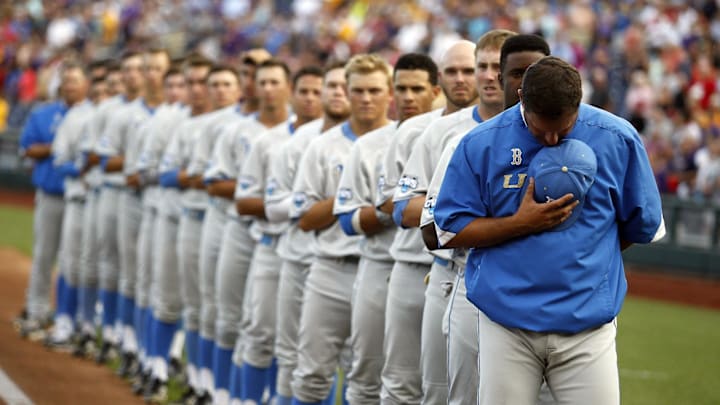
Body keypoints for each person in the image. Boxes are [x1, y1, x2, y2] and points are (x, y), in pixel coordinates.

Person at [433, 56, 665, 405]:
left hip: (588, 326)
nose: (553, 138)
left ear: (579, 103)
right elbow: (450, 229)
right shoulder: (481, 143)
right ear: (521, 97)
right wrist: (520, 224)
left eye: (565, 128)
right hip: (506, 322)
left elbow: (640, 224)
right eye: (541, 130)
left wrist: (586, 253)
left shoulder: (618, 138)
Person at [420, 33, 552, 405]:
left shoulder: (584, 140)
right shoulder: (465, 140)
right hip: (472, 282)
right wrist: (518, 223)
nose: (499, 78)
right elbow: (433, 230)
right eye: (508, 71)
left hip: (556, 293)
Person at [386, 29, 513, 404]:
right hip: (447, 273)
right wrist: (463, 211)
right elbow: (403, 207)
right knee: (438, 393)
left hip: (512, 277)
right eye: (482, 67)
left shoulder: (536, 132)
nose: (489, 76)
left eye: (498, 67)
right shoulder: (442, 131)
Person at [332, 52, 440, 404]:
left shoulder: (453, 136)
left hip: (441, 269)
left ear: (434, 91)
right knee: (368, 376)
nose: (408, 97)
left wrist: (406, 207)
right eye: (402, 88)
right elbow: (347, 220)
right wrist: (389, 211)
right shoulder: (370, 145)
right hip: (381, 266)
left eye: (417, 88)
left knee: (437, 383)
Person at [289, 53, 393, 404]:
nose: (366, 98)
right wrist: (349, 198)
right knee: (311, 375)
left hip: (380, 268)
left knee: (369, 379)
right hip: (330, 268)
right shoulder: (322, 146)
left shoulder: (401, 141)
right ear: (346, 93)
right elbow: (304, 219)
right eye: (358, 90)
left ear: (388, 93)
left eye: (374, 90)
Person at [236, 64, 323, 405]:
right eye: (305, 91)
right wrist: (309, 207)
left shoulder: (343, 141)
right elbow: (248, 202)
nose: (312, 99)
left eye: (319, 91)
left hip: (325, 253)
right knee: (261, 334)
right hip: (275, 244)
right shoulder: (272, 142)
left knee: (315, 353)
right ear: (294, 92)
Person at [266, 61, 350, 405]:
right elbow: (282, 209)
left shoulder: (384, 141)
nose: (337, 93)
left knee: (359, 369)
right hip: (303, 258)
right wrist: (344, 202)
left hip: (361, 264)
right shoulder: (300, 143)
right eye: (331, 86)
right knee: (296, 359)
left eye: (347, 86)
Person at [45, 60, 91, 349]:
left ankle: (87, 324)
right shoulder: (74, 116)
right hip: (77, 197)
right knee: (70, 261)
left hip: (109, 200)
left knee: (99, 268)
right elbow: (60, 159)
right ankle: (64, 319)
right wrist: (82, 169)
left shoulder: (110, 114)